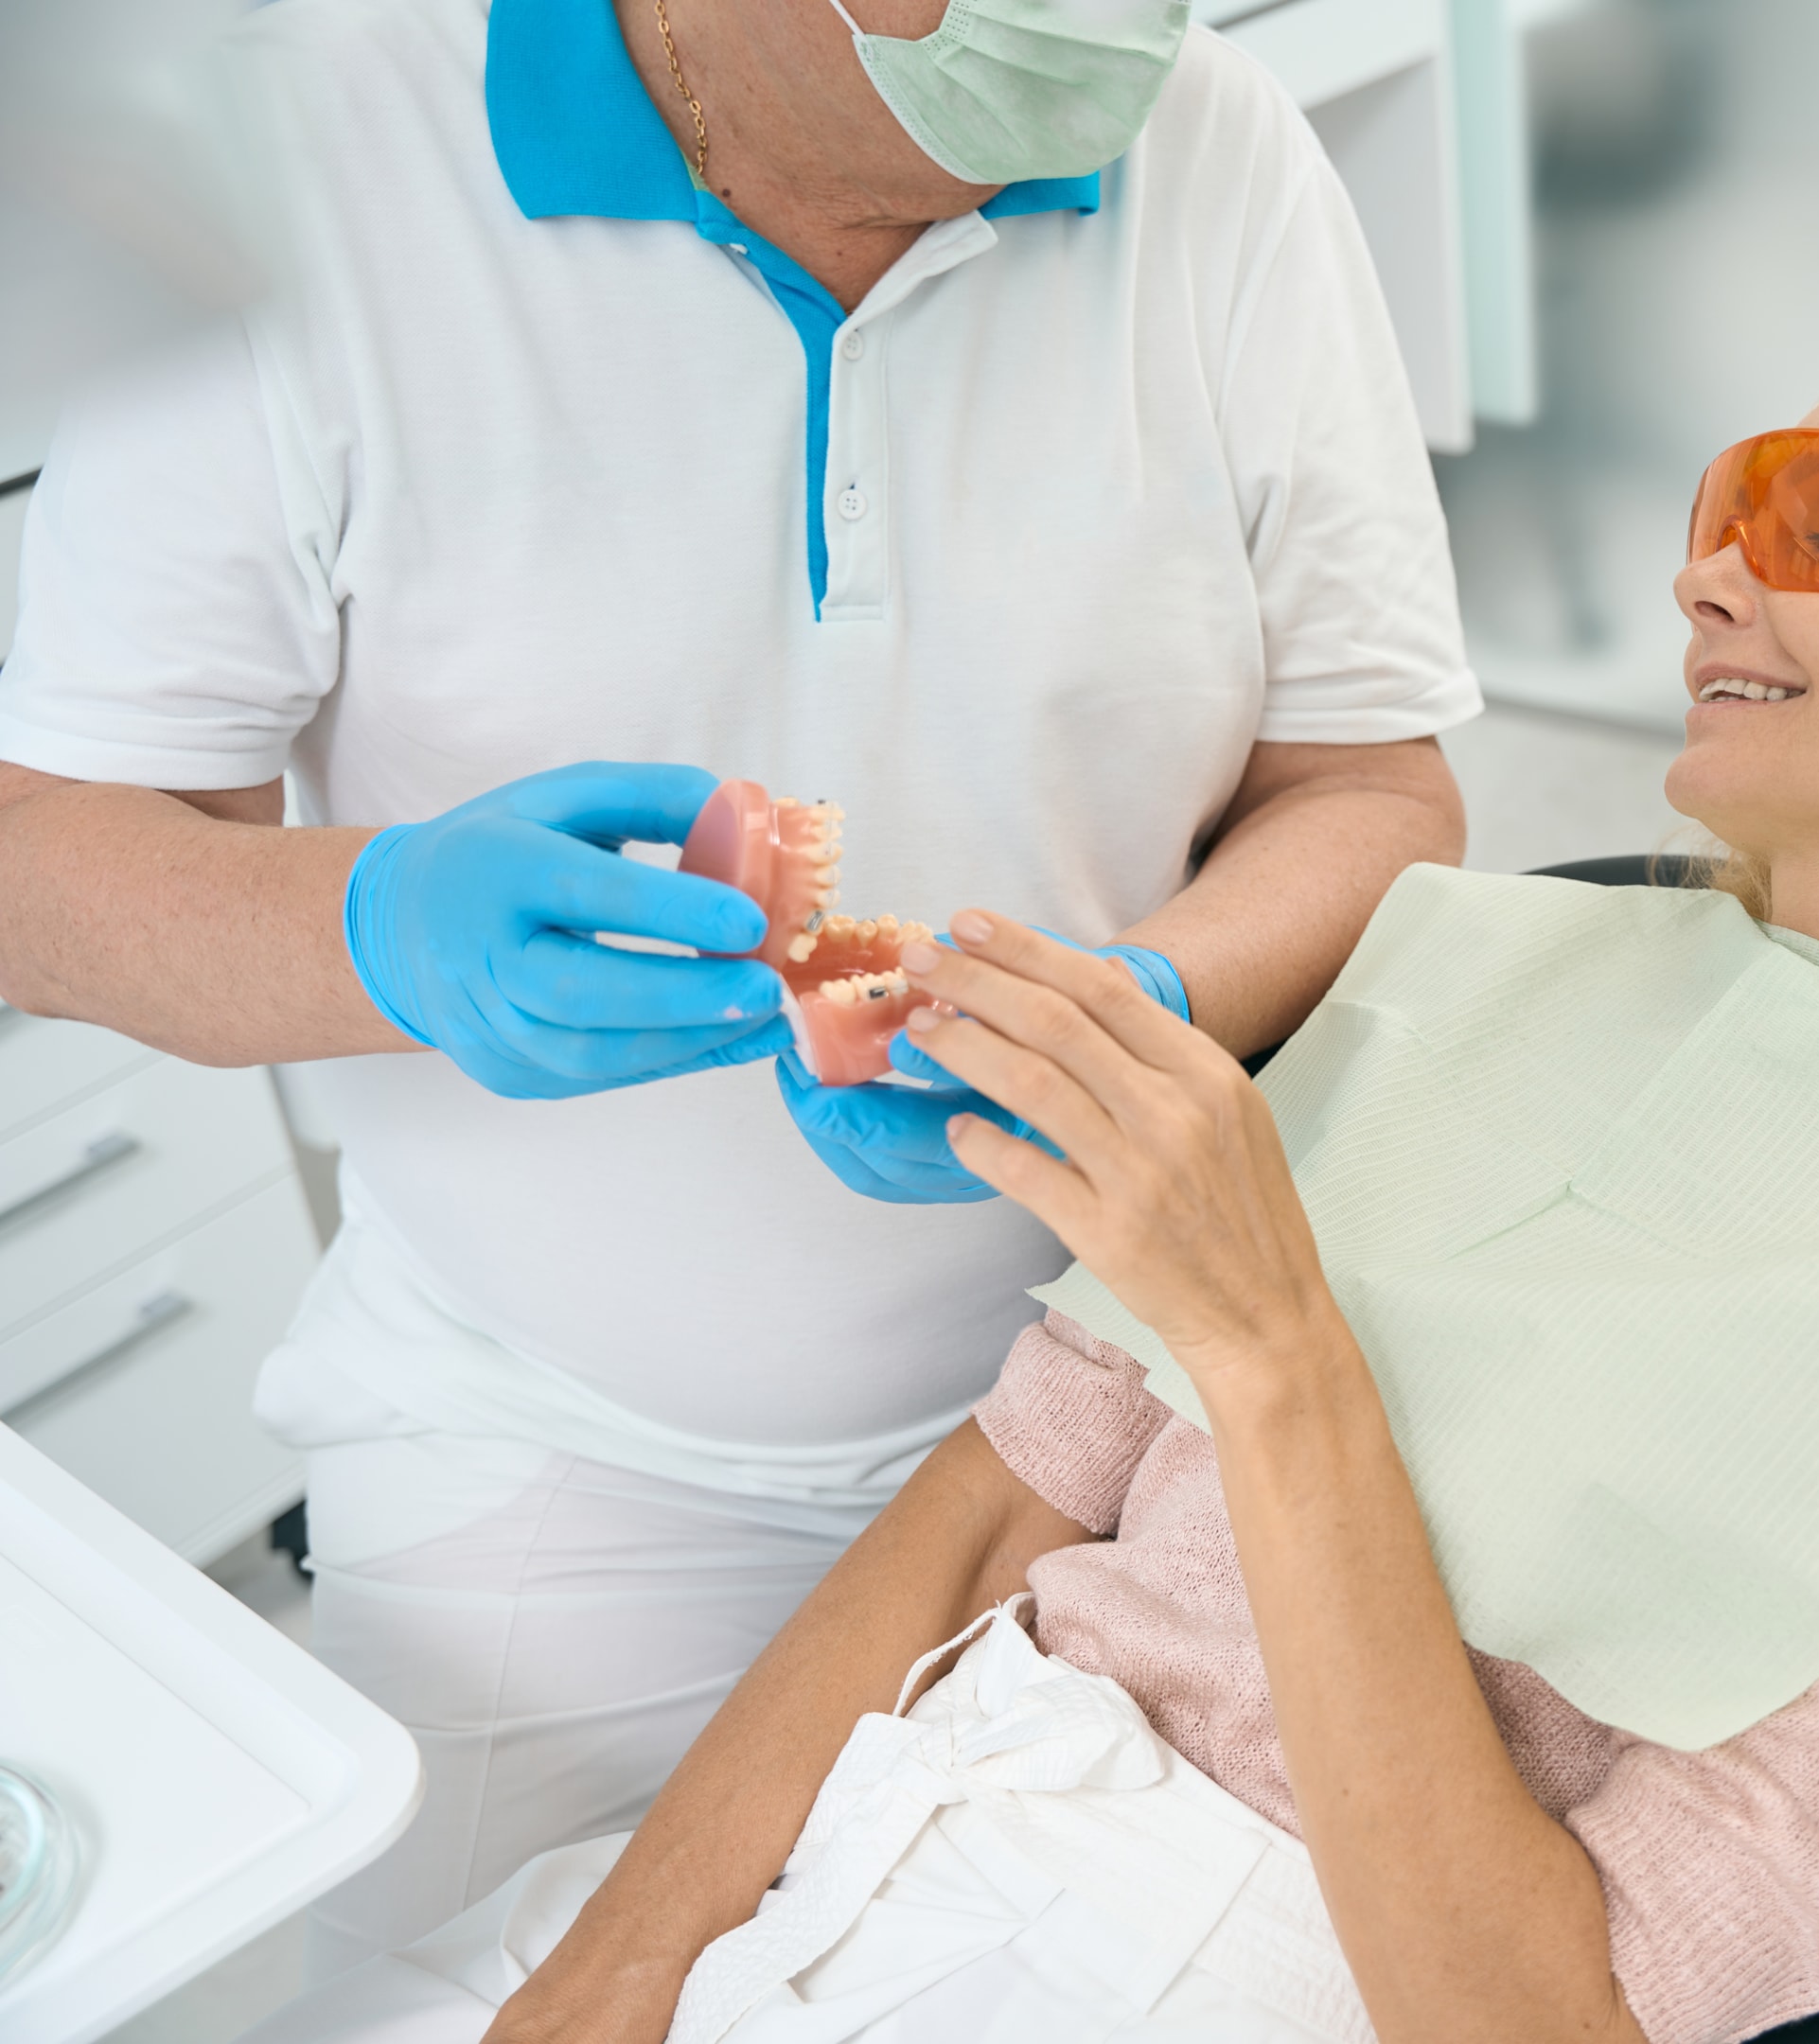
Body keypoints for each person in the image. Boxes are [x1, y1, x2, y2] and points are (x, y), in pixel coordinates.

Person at [237, 287, 1819, 2044]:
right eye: (1725, 511)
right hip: (885, 1817)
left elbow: (1543, 2024)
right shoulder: (1485, 967)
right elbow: (983, 1520)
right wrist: (609, 1978)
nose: (1710, 577)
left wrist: (1275, 1353)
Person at [0, 0, 1475, 1973]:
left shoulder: (1218, 149)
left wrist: (1131, 1005)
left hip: (1139, 1412)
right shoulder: (279, 150)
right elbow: (48, 865)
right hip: (558, 1455)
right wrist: (377, 927)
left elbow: (1374, 789)